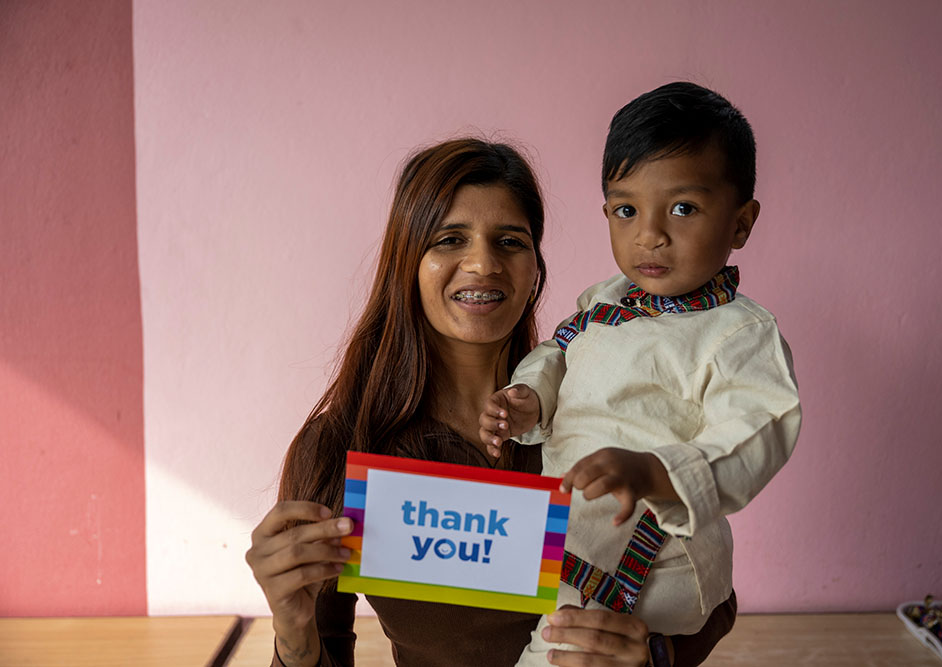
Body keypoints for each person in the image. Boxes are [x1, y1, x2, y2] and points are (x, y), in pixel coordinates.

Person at [246, 137, 737, 667]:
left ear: (535, 268)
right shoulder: (338, 449)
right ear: (407, 261)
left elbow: (710, 590)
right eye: (449, 239)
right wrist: (292, 635)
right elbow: (325, 650)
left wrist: (656, 655)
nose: (482, 263)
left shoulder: (606, 410)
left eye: (509, 241)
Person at [479, 83, 802, 666]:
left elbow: (760, 427)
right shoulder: (604, 301)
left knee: (563, 654)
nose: (649, 233)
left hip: (655, 562)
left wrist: (656, 471)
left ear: (741, 223)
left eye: (683, 207)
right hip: (574, 548)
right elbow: (561, 350)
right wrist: (530, 397)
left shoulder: (738, 334)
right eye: (626, 209)